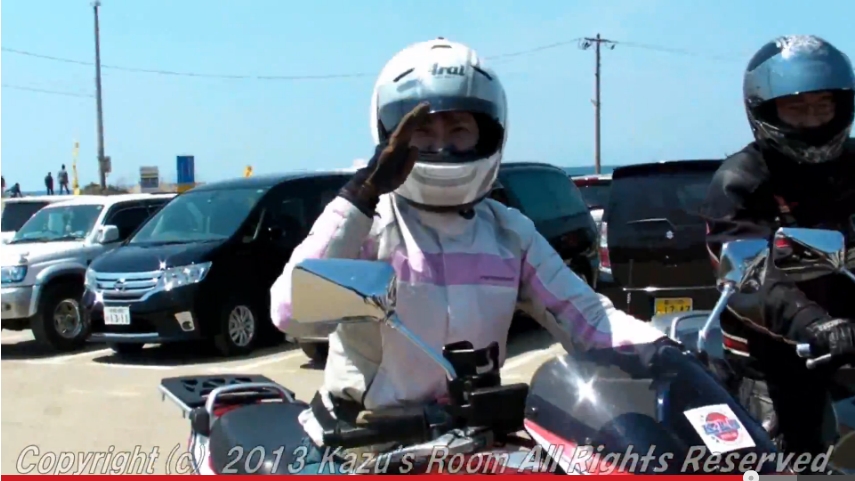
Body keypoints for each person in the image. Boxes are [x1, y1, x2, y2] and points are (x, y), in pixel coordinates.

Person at [270, 38, 677, 472]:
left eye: (459, 129)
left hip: (472, 442)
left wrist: (667, 353)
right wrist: (361, 193)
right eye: (422, 129)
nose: (441, 143)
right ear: (392, 135)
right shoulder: (367, 225)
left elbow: (587, 317)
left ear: (489, 132)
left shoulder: (509, 232)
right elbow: (292, 312)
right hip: (364, 444)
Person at [702, 35, 855, 464]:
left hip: (849, 349)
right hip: (776, 362)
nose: (813, 120)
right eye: (797, 108)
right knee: (781, 463)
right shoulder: (741, 181)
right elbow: (750, 277)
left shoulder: (851, 167)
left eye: (823, 106)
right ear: (766, 111)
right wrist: (814, 325)